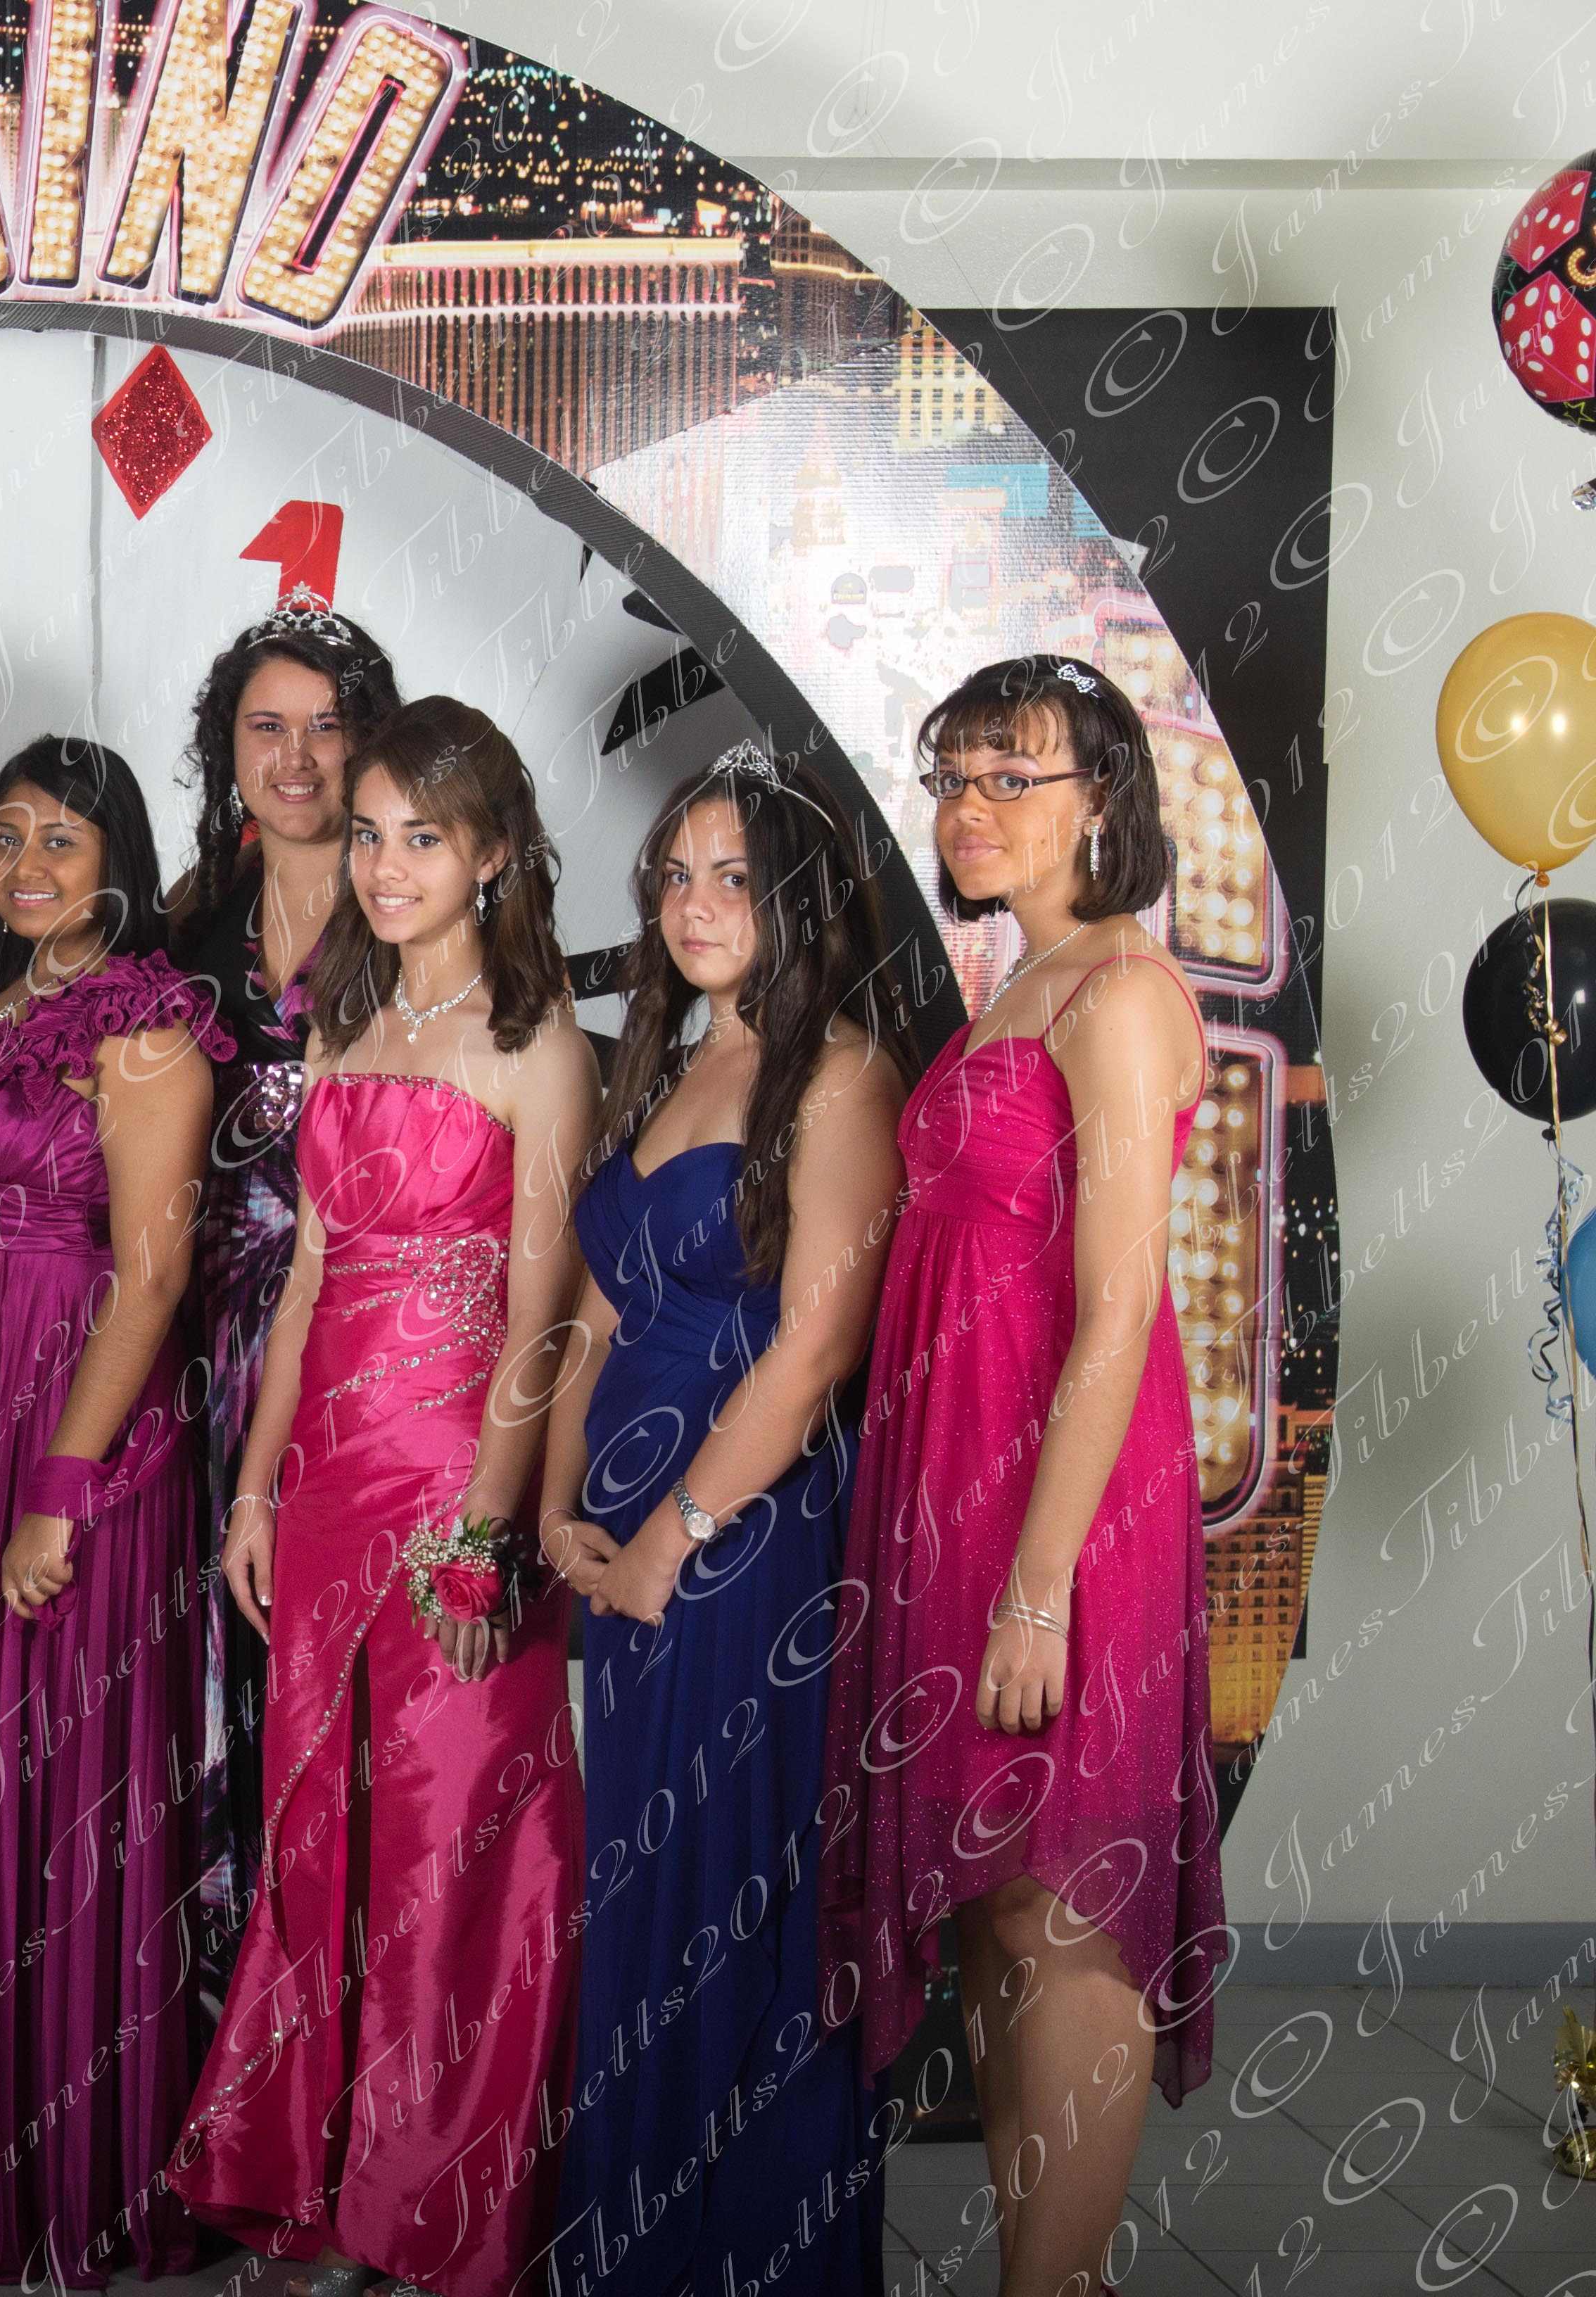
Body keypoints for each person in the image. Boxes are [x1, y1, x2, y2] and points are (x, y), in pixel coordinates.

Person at [171, 695, 595, 2296]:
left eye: (424, 836)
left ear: (492, 856)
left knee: (447, 1848)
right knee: (318, 1833)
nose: (387, 864)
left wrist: (487, 1532)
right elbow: (305, 1283)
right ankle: (323, 2180)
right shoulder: (339, 1027)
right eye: (368, 834)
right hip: (330, 1494)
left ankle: (429, 2211)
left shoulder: (538, 1044)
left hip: (453, 1496)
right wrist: (254, 1492)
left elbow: (544, 1315)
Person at [823, 656, 1224, 2297]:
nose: (968, 807)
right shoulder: (1021, 977)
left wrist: (1040, 1586)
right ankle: (1046, 2275)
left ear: (1100, 801)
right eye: (954, 777)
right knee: (994, 1902)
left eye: (1012, 776)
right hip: (958, 1485)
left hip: (1067, 1514)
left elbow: (1119, 1306)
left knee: (1063, 1904)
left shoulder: (1117, 992)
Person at [536, 742, 909, 2295]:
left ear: (799, 898)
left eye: (734, 879)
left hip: (742, 1549)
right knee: (645, 1897)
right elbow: (599, 1313)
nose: (694, 905)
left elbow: (816, 1351)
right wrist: (559, 1507)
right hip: (625, 1550)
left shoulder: (842, 1076)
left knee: (729, 1905)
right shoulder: (671, 1057)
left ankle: (750, 2261)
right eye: (676, 877)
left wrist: (668, 1537)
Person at [0, 735, 223, 2288]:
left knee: (65, 1788)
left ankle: (80, 2175)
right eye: (4, 837)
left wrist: (56, 1492)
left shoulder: (147, 1027)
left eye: (60, 839)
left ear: (118, 857)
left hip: (78, 1435)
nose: (23, 865)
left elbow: (154, 1273)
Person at [163, 593, 400, 1985]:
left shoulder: (417, 924)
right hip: (195, 1348)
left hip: (364, 1341)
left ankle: (348, 1989)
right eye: (267, 727)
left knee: (342, 1668)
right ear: (229, 749)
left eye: (327, 726)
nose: (297, 758)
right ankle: (232, 1991)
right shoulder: (185, 933)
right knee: (213, 1655)